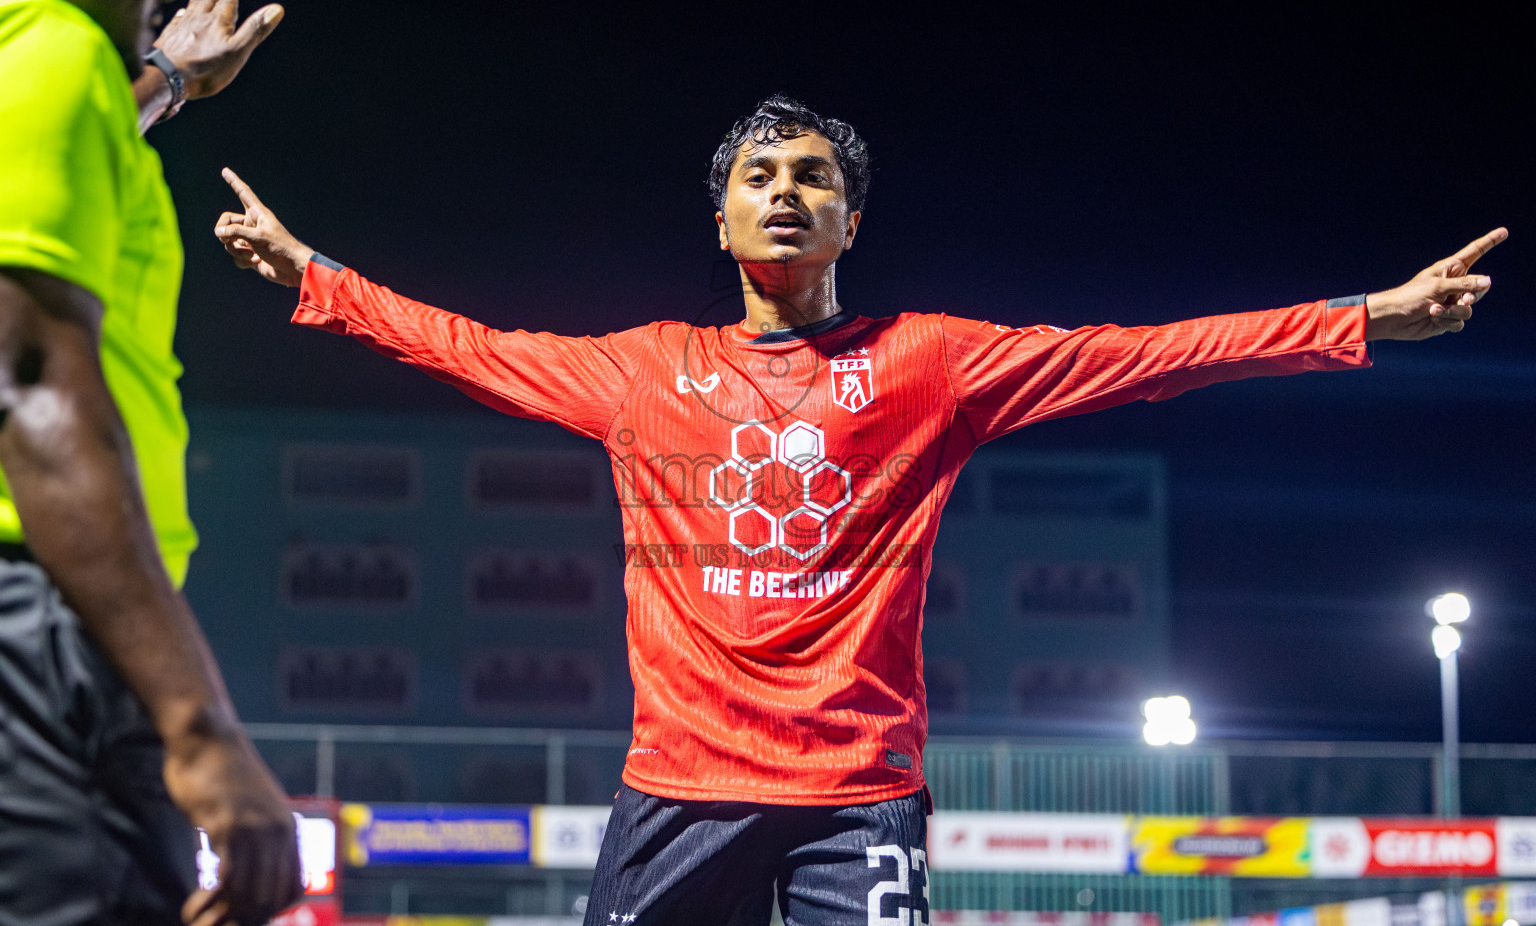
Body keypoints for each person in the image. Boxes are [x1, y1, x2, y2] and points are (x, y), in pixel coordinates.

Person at [214, 95, 1502, 925]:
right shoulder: (643, 369)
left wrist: (1362, 320)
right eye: (760, 173)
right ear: (721, 221)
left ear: (850, 217)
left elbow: (1150, 350)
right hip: (678, 790)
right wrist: (317, 277)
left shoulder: (934, 363)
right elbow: (467, 346)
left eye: (813, 174)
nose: (786, 188)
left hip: (857, 796)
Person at [0, 0, 302, 923]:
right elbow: (32, 386)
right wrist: (198, 723)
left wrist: (166, 83)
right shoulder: (55, 53)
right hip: (50, 624)